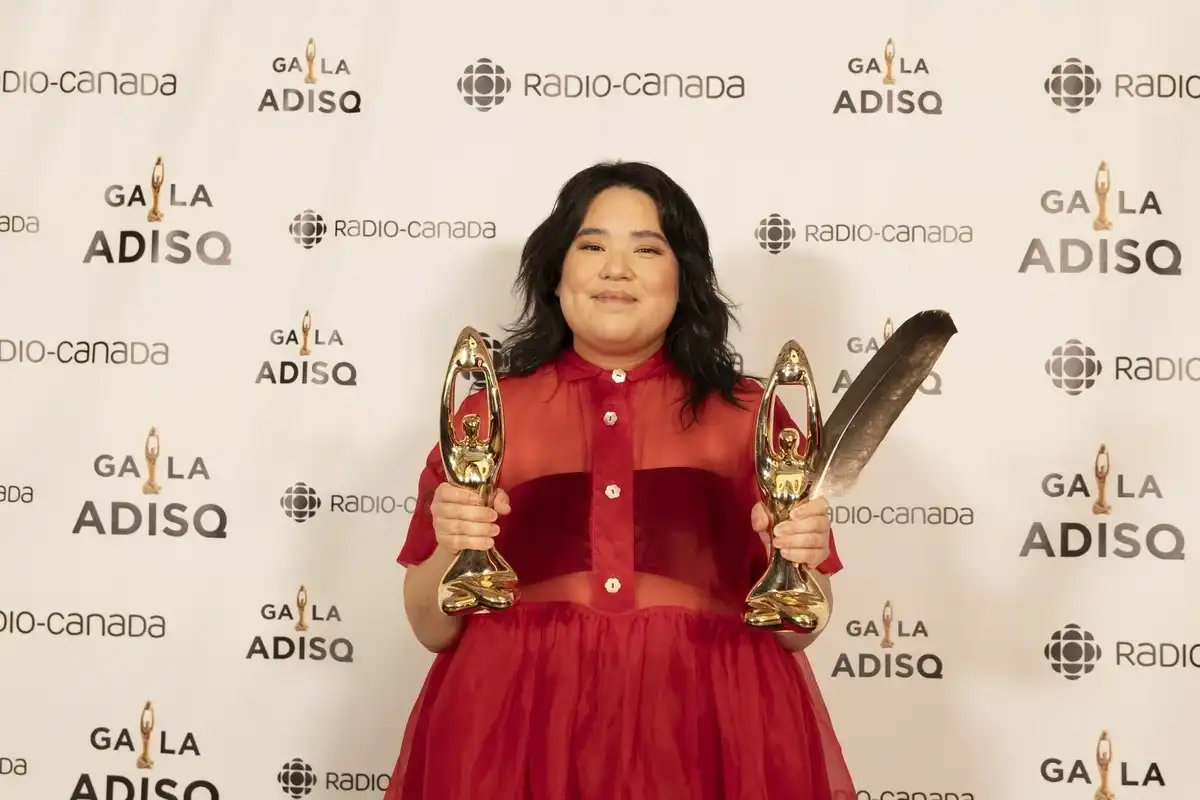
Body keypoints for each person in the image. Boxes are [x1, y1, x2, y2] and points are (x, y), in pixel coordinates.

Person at [386, 161, 855, 800]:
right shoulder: (485, 415)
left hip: (705, 730)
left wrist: (794, 556)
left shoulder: (755, 417)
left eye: (647, 249)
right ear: (556, 274)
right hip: (513, 735)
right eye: (592, 246)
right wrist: (452, 546)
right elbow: (430, 628)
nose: (617, 269)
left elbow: (798, 628)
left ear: (683, 278)